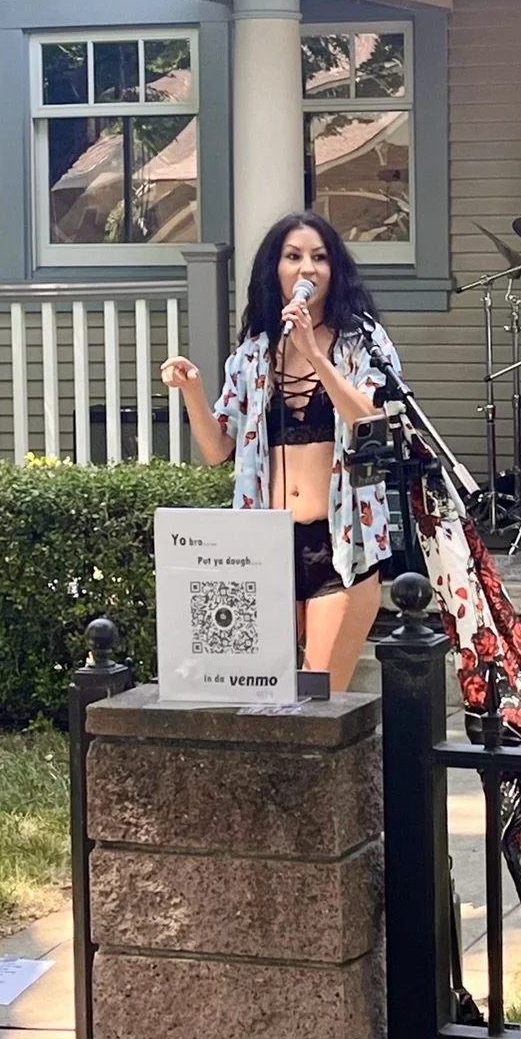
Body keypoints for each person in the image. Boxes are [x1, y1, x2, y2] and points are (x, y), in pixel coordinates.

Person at [161, 212, 401, 691]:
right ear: (276, 270)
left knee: (319, 697)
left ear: (335, 271)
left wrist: (315, 354)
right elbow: (217, 449)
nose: (307, 268)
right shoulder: (254, 353)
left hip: (339, 544)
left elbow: (370, 421)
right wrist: (192, 391)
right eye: (293, 257)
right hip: (265, 547)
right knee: (262, 697)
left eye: (319, 257)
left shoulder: (363, 343)